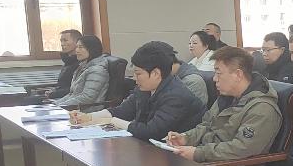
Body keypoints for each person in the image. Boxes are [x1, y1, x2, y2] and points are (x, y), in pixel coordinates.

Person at [166, 47, 283, 166]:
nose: (214, 79)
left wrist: (198, 153)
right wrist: (186, 138)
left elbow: (241, 149)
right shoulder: (227, 97)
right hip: (210, 163)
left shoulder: (262, 109)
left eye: (218, 73)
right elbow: (206, 125)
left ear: (238, 75)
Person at [72, 42, 205, 140]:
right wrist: (89, 117)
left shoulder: (176, 96)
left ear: (155, 73)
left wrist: (112, 121)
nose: (134, 78)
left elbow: (152, 132)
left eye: (138, 73)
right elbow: (123, 111)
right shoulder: (145, 88)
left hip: (175, 156)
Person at [50, 34, 113, 112]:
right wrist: (55, 105)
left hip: (87, 111)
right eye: (77, 47)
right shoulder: (83, 67)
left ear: (92, 49)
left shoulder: (97, 70)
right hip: (76, 109)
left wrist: (60, 107)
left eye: (81, 47)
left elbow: (87, 98)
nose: (77, 50)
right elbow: (72, 94)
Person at [45, 28, 82, 100]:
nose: (62, 44)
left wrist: (54, 94)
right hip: (59, 96)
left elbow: (76, 89)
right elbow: (63, 84)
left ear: (77, 42)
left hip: (68, 100)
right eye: (61, 41)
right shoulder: (68, 61)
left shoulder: (80, 63)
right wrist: (54, 90)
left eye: (65, 40)